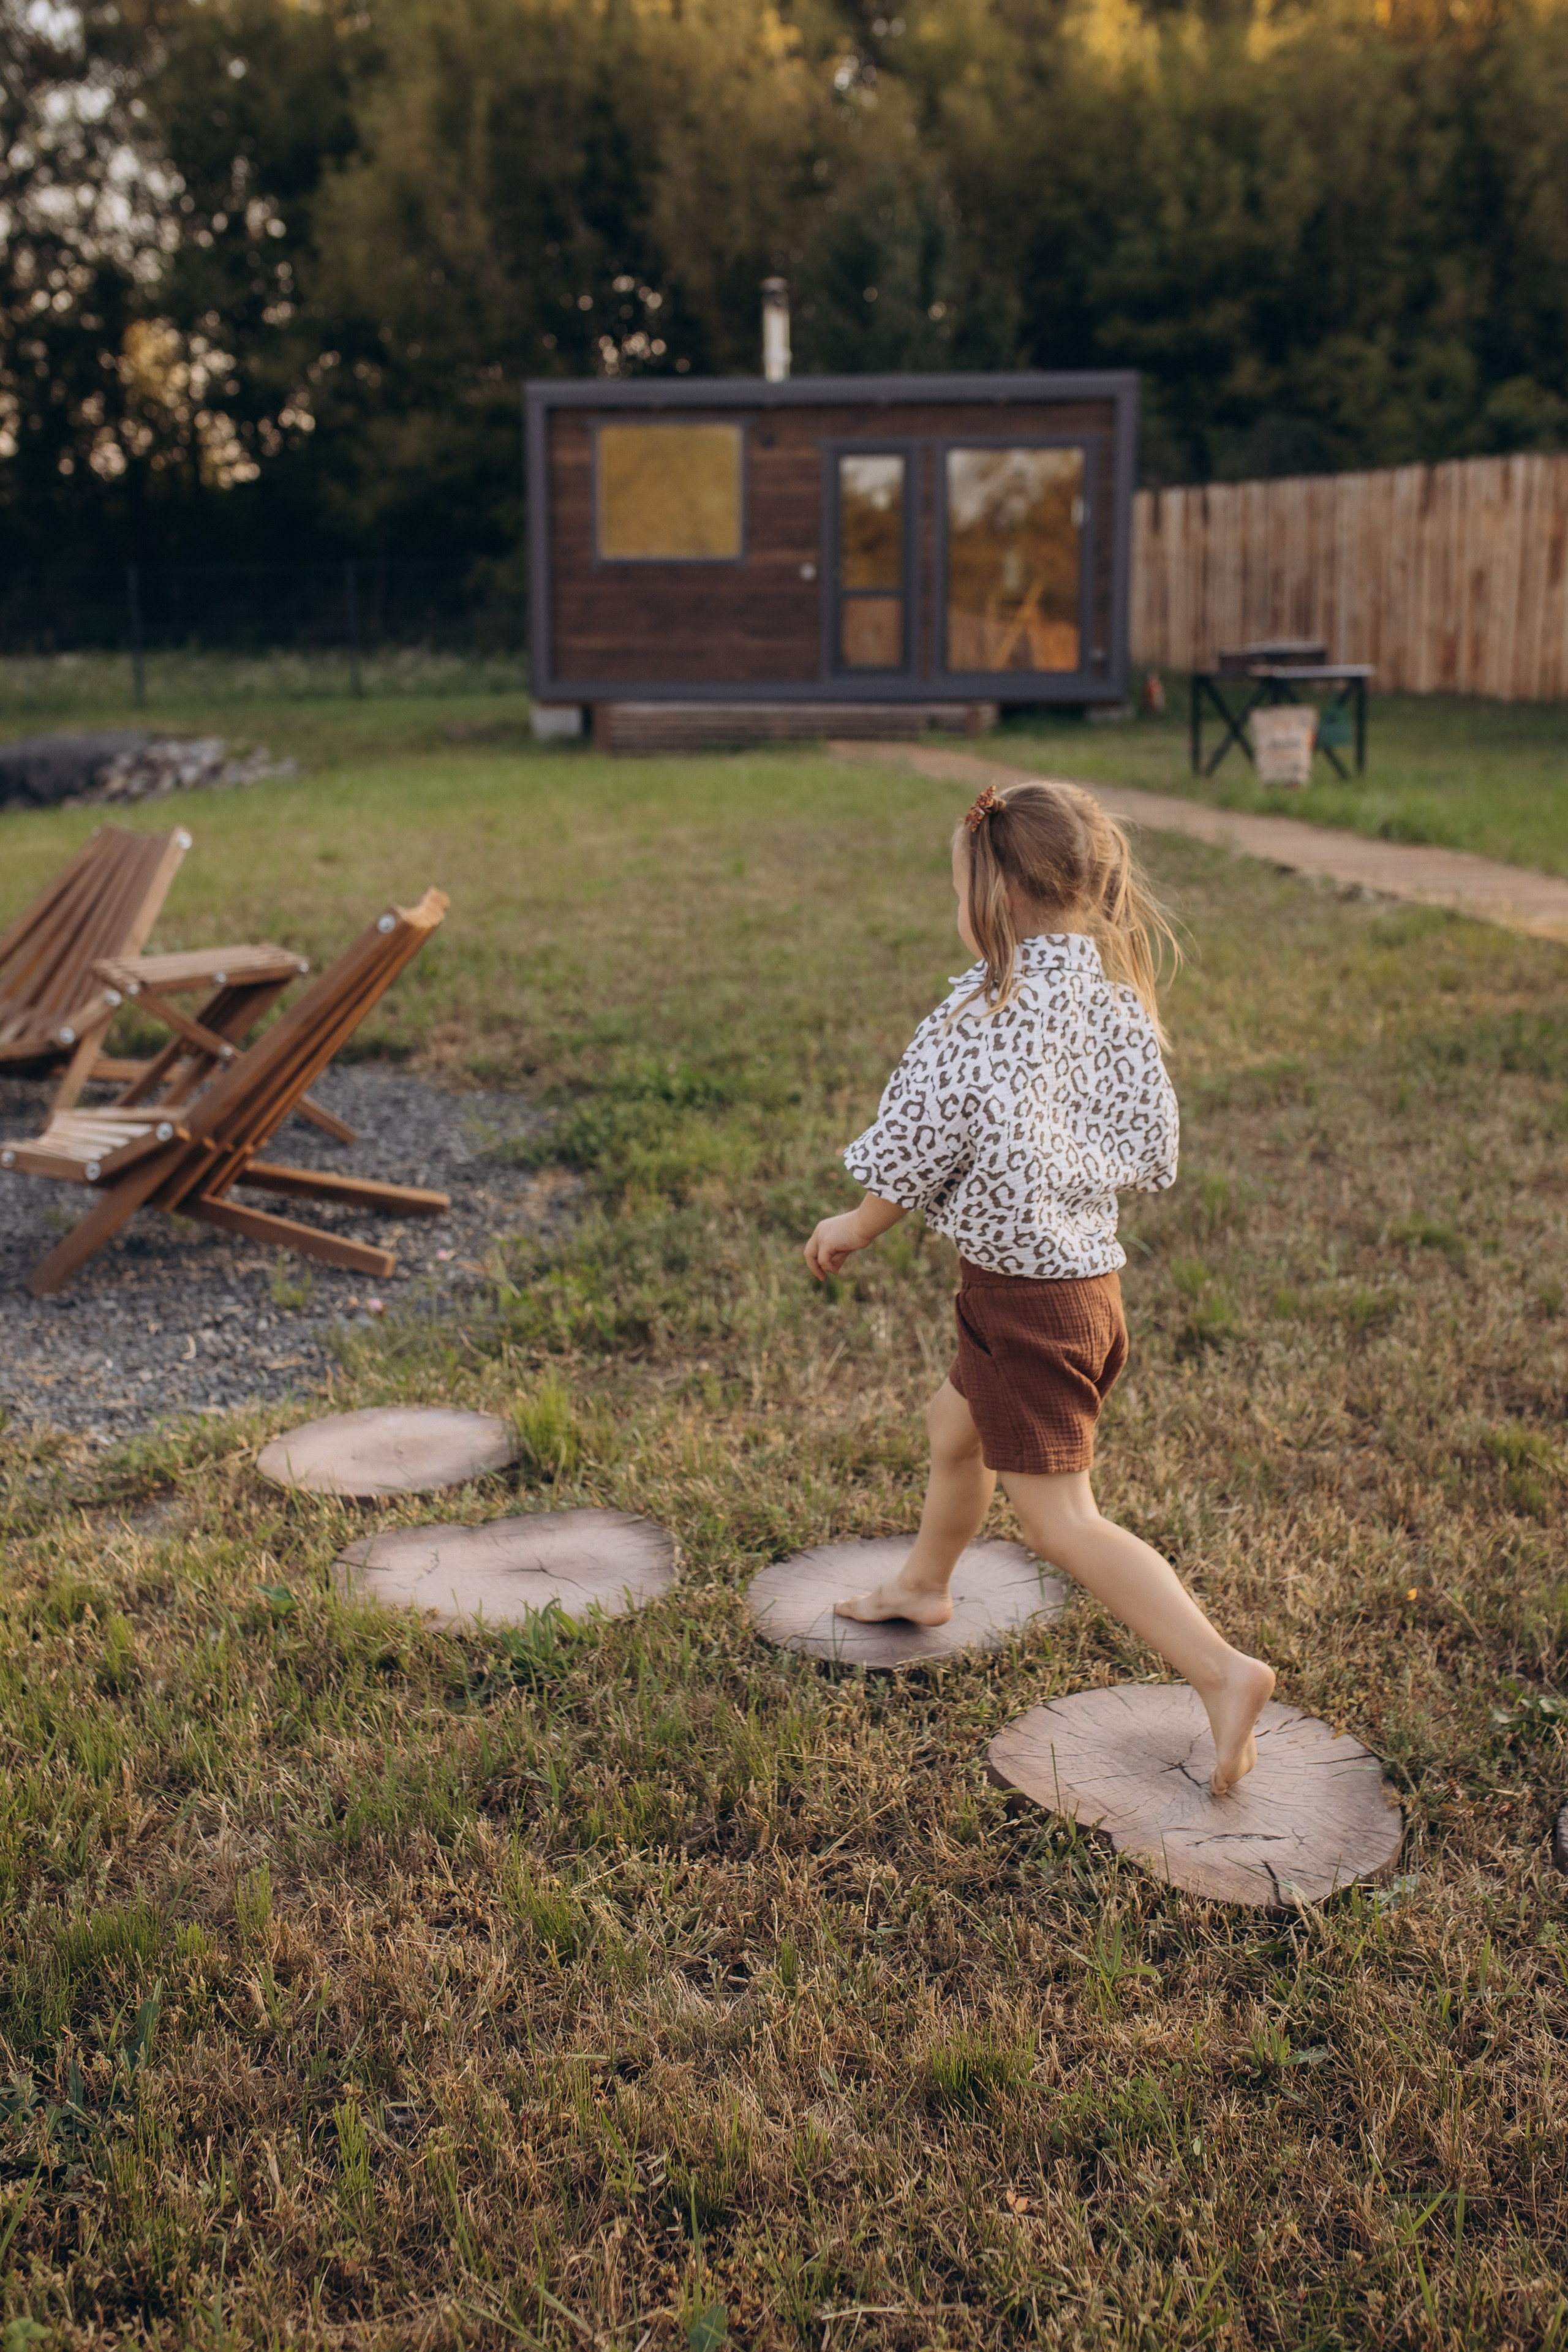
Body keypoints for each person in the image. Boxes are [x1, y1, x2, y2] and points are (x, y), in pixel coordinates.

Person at [803, 778, 1275, 1796]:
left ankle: (1221, 1672)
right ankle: (926, 1587)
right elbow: (1155, 1151)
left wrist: (852, 1227)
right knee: (952, 1426)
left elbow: (914, 1147)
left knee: (1063, 1523)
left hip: (1026, 1303)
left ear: (997, 896)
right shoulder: (1116, 1003)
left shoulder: (978, 1013)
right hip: (1080, 1285)